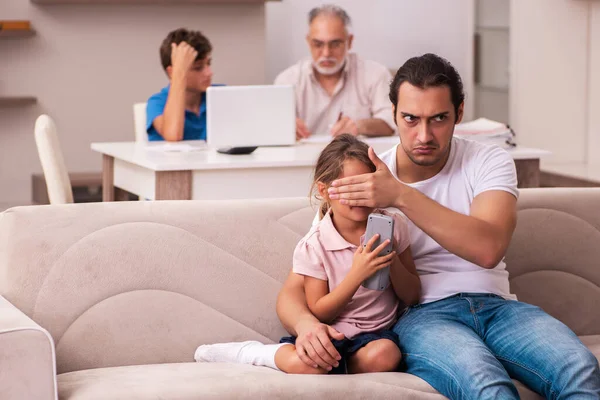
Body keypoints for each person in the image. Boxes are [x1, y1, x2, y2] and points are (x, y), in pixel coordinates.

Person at [276, 54, 600, 398]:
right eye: (410, 119)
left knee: (579, 369)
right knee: (487, 386)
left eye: (439, 119)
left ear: (459, 113)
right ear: (394, 114)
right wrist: (306, 324)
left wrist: (399, 194)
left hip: (497, 306)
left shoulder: (487, 161)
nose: (424, 135)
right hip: (423, 317)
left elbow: (488, 249)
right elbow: (295, 286)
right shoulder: (364, 178)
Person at [194, 134, 420, 374]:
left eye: (363, 186)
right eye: (347, 188)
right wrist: (357, 275)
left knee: (386, 355)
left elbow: (412, 295)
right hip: (329, 334)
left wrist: (392, 260)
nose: (357, 196)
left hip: (376, 337)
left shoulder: (394, 226)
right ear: (323, 190)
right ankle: (253, 353)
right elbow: (321, 312)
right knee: (306, 362)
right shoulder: (315, 245)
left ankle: (330, 368)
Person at [274, 5, 395, 139]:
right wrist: (284, 127)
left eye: (335, 44)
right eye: (318, 44)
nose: (326, 53)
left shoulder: (376, 74)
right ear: (308, 42)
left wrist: (359, 126)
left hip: (357, 157)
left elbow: (393, 123)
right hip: (300, 159)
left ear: (349, 42)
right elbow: (270, 127)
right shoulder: (287, 80)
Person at [146, 28, 215, 142]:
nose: (209, 73)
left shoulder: (220, 96)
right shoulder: (158, 102)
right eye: (198, 68)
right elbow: (173, 136)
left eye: (209, 64)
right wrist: (178, 73)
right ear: (172, 72)